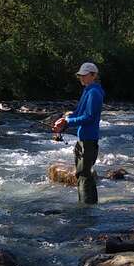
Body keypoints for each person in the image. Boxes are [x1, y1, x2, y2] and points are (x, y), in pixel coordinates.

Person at [53, 62, 104, 204]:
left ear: (93, 75)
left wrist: (67, 122)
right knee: (82, 174)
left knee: (84, 174)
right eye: (80, 75)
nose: (81, 77)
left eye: (84, 75)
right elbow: (78, 113)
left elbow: (88, 117)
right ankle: (88, 205)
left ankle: (87, 208)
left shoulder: (94, 93)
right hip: (83, 138)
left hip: (89, 139)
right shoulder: (88, 90)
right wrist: (64, 120)